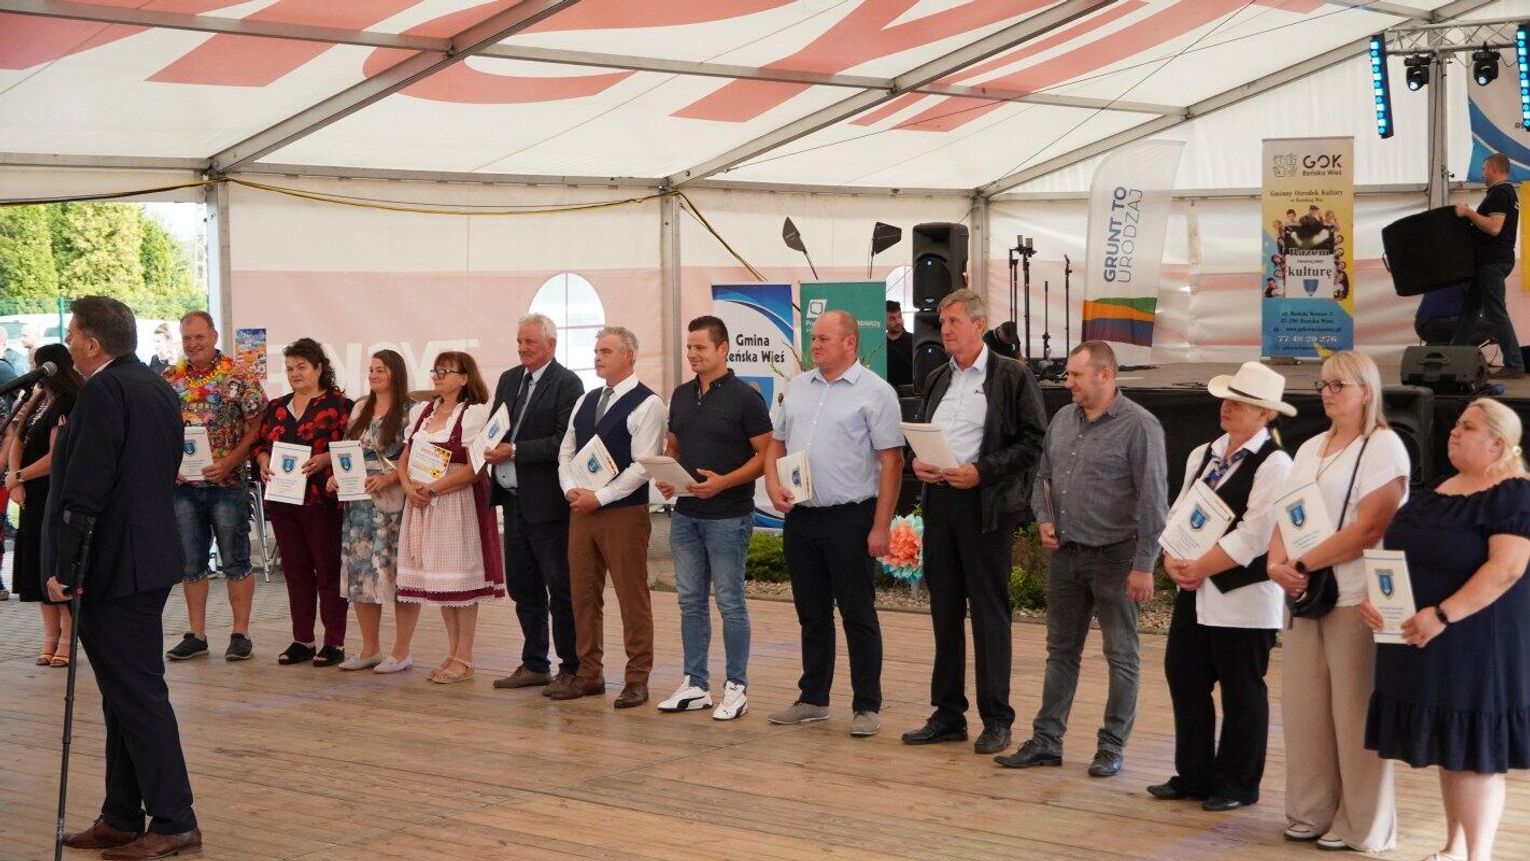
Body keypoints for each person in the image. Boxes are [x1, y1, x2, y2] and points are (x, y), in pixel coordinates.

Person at [48, 296, 201, 859]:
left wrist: (66, 567)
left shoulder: (104, 390)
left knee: (137, 694)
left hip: (115, 561)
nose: (69, 344)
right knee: (123, 693)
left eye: (73, 334)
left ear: (93, 343)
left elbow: (87, 485)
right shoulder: (156, 387)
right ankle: (120, 814)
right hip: (148, 556)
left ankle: (175, 819)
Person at [1363, 399, 1530, 861]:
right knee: (1452, 745)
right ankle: (1454, 848)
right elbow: (1400, 555)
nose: (1454, 431)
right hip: (1426, 639)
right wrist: (1378, 597)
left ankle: (1478, 855)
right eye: (1456, 424)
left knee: (1475, 752)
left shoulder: (1512, 494)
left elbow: (1508, 568)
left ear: (1497, 444)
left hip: (1476, 644)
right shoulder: (1438, 488)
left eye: (1468, 427)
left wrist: (1442, 615)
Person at [996, 340, 1167, 777]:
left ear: (1104, 375)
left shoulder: (1139, 427)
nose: (1066, 382)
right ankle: (1046, 740)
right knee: (1060, 651)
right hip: (1066, 557)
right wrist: (1043, 518)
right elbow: (1044, 478)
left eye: (1075, 375)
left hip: (1117, 558)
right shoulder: (1062, 419)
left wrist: (1144, 565)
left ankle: (1111, 746)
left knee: (1121, 655)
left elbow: (1153, 502)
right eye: (1068, 374)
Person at [1266, 349, 1409, 852]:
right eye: (1323, 385)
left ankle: (1362, 824)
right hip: (1305, 596)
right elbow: (1286, 513)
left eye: (1338, 385)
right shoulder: (1310, 448)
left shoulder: (1384, 447)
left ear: (1366, 392)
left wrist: (1303, 563)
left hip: (1355, 597)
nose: (1326, 393)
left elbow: (1371, 528)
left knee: (1355, 716)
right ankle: (1310, 811)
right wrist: (1276, 565)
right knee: (1305, 712)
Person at [900, 290, 1045, 755]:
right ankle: (948, 714)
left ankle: (997, 718)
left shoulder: (1011, 375)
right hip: (940, 503)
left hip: (985, 507)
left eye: (954, 322)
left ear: (979, 326)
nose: (944, 329)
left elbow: (1034, 442)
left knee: (988, 613)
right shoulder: (937, 377)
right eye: (942, 321)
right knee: (944, 610)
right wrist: (916, 462)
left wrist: (982, 472)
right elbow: (924, 434)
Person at [1149, 362, 1295, 812]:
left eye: (1240, 402)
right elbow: (1178, 512)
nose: (1227, 407)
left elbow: (1255, 535)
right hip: (1196, 592)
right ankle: (1193, 775)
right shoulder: (1204, 454)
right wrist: (1173, 557)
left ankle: (1237, 783)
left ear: (1265, 414)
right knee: (1185, 677)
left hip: (1245, 598)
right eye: (1227, 398)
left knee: (1241, 689)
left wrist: (1200, 566)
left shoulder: (1275, 464)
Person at [763, 310, 903, 737]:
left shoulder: (876, 392)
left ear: (849, 342)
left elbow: (892, 462)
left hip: (851, 517)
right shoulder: (798, 388)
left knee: (857, 613)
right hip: (802, 517)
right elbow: (775, 443)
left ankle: (866, 705)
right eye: (813, 337)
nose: (815, 344)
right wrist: (772, 485)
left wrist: (881, 526)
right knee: (812, 614)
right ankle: (813, 698)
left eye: (824, 338)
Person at [654, 315, 772, 720]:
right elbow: (674, 447)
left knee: (730, 602)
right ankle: (695, 683)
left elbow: (765, 456)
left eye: (700, 347)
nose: (692, 354)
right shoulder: (681, 395)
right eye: (689, 347)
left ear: (723, 349)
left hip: (728, 517)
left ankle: (736, 686)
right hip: (686, 514)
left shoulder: (745, 398)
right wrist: (668, 475)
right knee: (689, 601)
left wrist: (724, 483)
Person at [553, 326, 665, 708]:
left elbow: (643, 465)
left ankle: (637, 678)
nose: (597, 357)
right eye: (596, 351)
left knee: (632, 596)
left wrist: (598, 497)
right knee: (583, 594)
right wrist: (570, 489)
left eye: (606, 351)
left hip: (623, 512)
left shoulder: (648, 403)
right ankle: (589, 672)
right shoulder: (585, 401)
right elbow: (566, 451)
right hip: (582, 509)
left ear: (628, 356)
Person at [483, 314, 585, 694]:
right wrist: (487, 447)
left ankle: (571, 666)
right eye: (519, 342)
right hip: (513, 502)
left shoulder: (567, 383)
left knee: (560, 588)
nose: (522, 348)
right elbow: (496, 428)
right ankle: (534, 663)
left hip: (549, 506)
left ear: (551, 345)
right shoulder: (509, 379)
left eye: (530, 342)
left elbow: (564, 442)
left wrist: (514, 451)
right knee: (523, 588)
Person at [394, 351, 506, 682]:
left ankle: (464, 656)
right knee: (443, 582)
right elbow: (404, 457)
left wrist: (432, 489)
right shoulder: (422, 412)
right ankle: (453, 651)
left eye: (446, 371)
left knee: (460, 582)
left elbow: (474, 469)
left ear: (464, 378)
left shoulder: (473, 414)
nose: (438, 376)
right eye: (436, 370)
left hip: (456, 503)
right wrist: (408, 487)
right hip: (423, 502)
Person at [163, 311, 268, 662]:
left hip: (228, 483)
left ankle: (240, 633)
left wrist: (231, 461)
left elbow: (258, 426)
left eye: (199, 337)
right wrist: (171, 466)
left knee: (235, 558)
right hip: (183, 487)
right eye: (187, 338)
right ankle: (196, 634)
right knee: (190, 562)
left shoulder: (240, 375)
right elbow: (159, 429)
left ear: (214, 336)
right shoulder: (170, 378)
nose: (193, 344)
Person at [253, 338, 352, 668]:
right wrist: (263, 461)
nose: (295, 373)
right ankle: (303, 640)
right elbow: (259, 445)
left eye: (302, 367)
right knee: (295, 573)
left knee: (328, 572)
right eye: (290, 368)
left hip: (322, 502)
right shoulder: (276, 407)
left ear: (319, 368)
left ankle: (334, 641)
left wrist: (326, 459)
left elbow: (354, 449)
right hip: (283, 502)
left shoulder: (339, 405)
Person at [326, 350, 411, 671]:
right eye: (371, 369)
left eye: (381, 370)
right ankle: (369, 648)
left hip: (394, 503)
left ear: (396, 374)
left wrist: (390, 477)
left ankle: (401, 651)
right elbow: (348, 452)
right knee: (360, 574)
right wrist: (338, 476)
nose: (373, 374)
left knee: (398, 575)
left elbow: (415, 456)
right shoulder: (360, 408)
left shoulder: (411, 411)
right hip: (359, 503)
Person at [5, 343, 84, 666]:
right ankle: (50, 636)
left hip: (53, 492)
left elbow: (55, 457)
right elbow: (18, 438)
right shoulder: (38, 398)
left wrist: (19, 475)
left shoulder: (68, 401)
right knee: (38, 566)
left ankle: (67, 637)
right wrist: (15, 478)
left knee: (54, 564)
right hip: (30, 493)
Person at [1453, 152, 1524, 379]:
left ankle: (1514, 363)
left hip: (1492, 261)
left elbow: (1494, 227)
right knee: (1470, 310)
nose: (1482, 174)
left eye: (1484, 169)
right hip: (1489, 261)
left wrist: (1468, 213)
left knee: (1495, 312)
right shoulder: (1505, 193)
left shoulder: (1500, 193)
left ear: (1493, 168)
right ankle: (1452, 357)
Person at [885, 300, 913, 389]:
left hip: (910, 393)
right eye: (892, 318)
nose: (898, 321)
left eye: (899, 316)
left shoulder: (914, 340)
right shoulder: (880, 344)